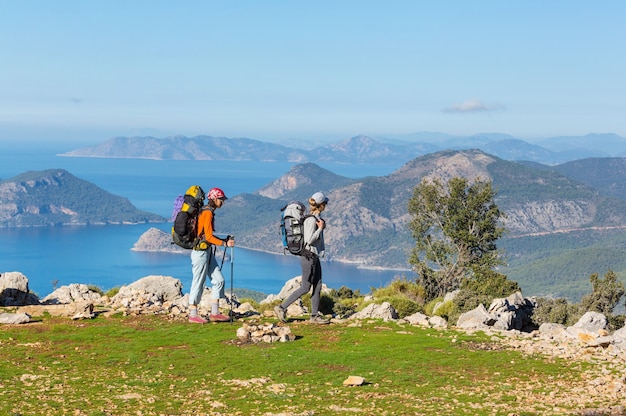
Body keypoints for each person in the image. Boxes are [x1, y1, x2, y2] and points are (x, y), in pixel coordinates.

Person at [274, 191, 330, 324]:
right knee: (305, 287)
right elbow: (309, 240)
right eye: (325, 203)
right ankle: (281, 307)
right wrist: (320, 229)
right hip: (308, 256)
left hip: (314, 256)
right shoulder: (311, 220)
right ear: (321, 205)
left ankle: (314, 316)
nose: (326, 205)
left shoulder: (315, 218)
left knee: (318, 285)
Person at [188, 187, 235, 324]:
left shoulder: (207, 211)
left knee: (219, 280)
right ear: (214, 199)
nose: (223, 202)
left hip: (206, 251)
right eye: (221, 199)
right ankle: (193, 314)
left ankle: (215, 313)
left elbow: (206, 235)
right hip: (200, 253)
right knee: (198, 282)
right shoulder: (207, 213)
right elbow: (208, 237)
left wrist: (223, 241)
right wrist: (225, 244)